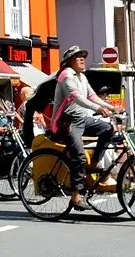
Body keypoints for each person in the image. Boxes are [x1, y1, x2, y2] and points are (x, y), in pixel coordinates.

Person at [48, 46, 120, 212]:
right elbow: (77, 97)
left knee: (108, 129)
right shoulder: (66, 75)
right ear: (69, 61)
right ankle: (75, 197)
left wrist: (112, 107)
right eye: (78, 57)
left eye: (82, 56)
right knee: (79, 156)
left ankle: (94, 164)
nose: (82, 59)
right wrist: (97, 109)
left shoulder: (82, 76)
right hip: (66, 122)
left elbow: (92, 96)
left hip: (82, 119)